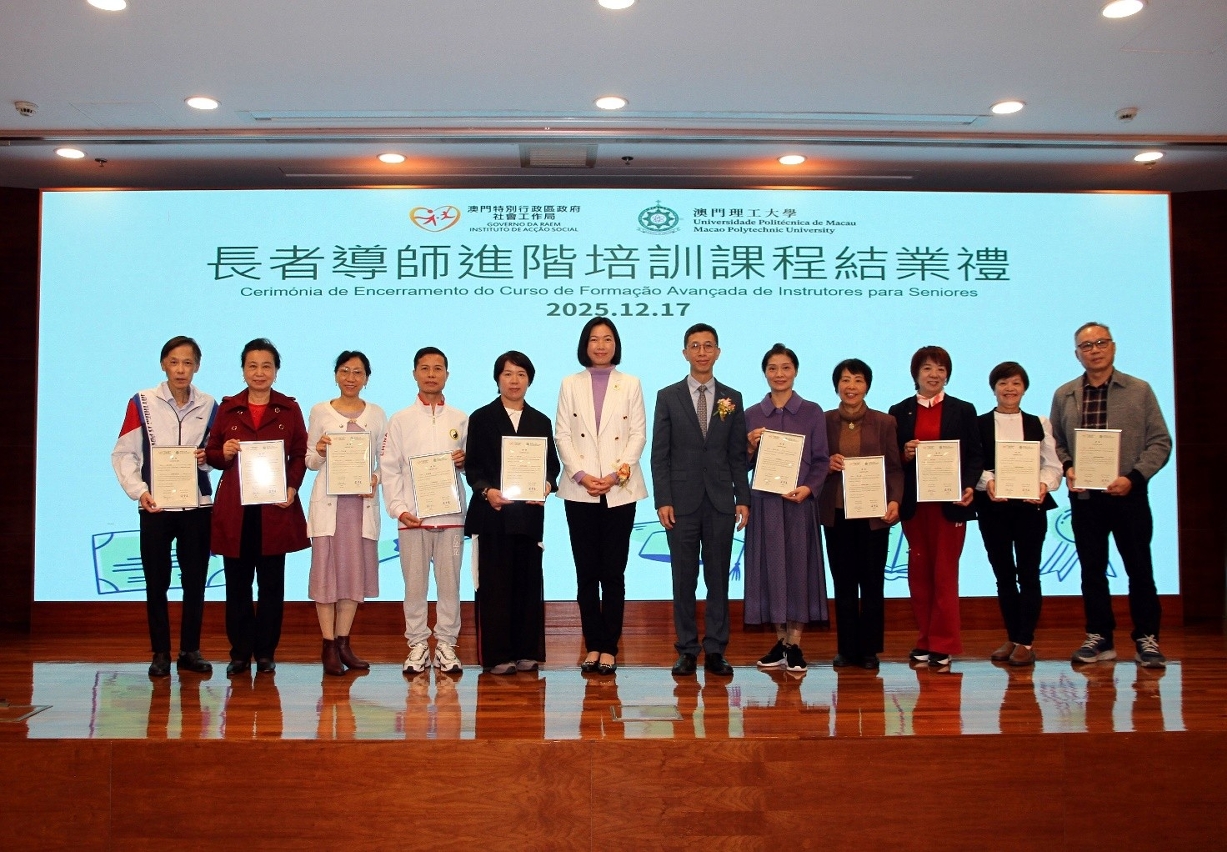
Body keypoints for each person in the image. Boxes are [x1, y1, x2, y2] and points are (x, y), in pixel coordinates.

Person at [1050, 322, 1172, 668]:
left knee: (1139, 568)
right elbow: (1056, 442)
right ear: (1077, 354)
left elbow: (1160, 441)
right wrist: (1068, 467)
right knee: (1091, 570)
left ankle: (1147, 638)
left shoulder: (1139, 390)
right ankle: (1099, 636)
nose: (1095, 350)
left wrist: (1134, 477)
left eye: (1101, 343)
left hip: (1128, 495)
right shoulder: (1065, 394)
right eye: (1086, 346)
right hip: (1086, 499)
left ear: (1113, 347)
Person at [112, 335, 218, 677]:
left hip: (197, 507)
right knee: (156, 582)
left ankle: (190, 650)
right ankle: (160, 653)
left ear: (197, 366)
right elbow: (124, 453)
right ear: (163, 365)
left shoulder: (209, 405)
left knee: (195, 581)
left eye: (187, 363)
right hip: (156, 506)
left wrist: (206, 459)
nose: (181, 369)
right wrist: (139, 491)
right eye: (174, 362)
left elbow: (214, 456)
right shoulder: (142, 401)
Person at [651, 323, 750, 678]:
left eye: (709, 345)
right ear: (685, 353)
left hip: (721, 501)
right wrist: (663, 499)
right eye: (695, 346)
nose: (702, 352)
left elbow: (737, 455)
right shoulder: (668, 396)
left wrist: (743, 498)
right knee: (684, 578)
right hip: (681, 503)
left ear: (718, 352)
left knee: (718, 579)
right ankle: (687, 649)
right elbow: (659, 454)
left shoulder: (732, 397)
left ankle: (716, 650)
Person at [205, 338, 309, 676]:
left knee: (271, 587)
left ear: (276, 371)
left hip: (273, 510)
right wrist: (224, 453)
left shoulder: (289, 409)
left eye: (266, 366)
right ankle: (239, 653)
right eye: (252, 366)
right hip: (236, 511)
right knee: (236, 587)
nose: (259, 372)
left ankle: (265, 653)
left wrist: (292, 486)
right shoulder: (228, 408)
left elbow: (300, 453)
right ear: (243, 370)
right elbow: (212, 452)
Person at [555, 318, 648, 676]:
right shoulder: (570, 383)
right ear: (585, 345)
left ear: (615, 344)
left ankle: (610, 646)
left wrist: (613, 476)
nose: (600, 345)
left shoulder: (631, 383)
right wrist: (581, 475)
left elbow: (638, 435)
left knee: (613, 571)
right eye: (594, 339)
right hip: (579, 489)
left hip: (619, 489)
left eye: (607, 339)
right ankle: (592, 644)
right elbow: (562, 434)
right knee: (585, 572)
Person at [463, 351, 560, 675]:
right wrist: (487, 491)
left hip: (528, 518)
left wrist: (546, 485)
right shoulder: (481, 418)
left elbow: (552, 467)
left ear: (529, 379)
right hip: (492, 515)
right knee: (495, 587)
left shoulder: (540, 421)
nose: (514, 380)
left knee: (527, 586)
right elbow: (473, 468)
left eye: (520, 374)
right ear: (497, 379)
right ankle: (497, 656)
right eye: (507, 374)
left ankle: (526, 651)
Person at [889, 345, 982, 669]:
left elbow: (975, 456)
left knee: (944, 573)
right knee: (919, 574)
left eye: (941, 369)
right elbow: (892, 459)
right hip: (916, 506)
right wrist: (904, 453)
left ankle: (943, 643)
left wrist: (968, 485)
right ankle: (925, 638)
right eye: (927, 368)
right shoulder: (899, 411)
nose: (934, 375)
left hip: (949, 504)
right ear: (916, 373)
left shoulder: (963, 410)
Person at [380, 346, 469, 676]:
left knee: (450, 587)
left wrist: (465, 461)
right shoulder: (400, 420)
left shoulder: (460, 419)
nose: (431, 374)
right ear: (414, 374)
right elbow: (389, 468)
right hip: (412, 519)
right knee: (414, 587)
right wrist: (399, 509)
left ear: (447, 374)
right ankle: (417, 644)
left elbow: (474, 466)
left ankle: (446, 644)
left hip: (451, 518)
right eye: (425, 368)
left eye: (438, 368)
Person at [744, 343, 829, 673]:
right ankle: (781, 643)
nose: (779, 374)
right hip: (765, 506)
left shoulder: (812, 412)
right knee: (771, 573)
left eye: (785, 367)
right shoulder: (752, 414)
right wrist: (749, 447)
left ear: (795, 371)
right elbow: (740, 464)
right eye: (772, 368)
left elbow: (821, 460)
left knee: (798, 571)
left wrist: (809, 488)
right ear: (764, 373)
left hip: (799, 505)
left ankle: (794, 644)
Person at [974, 361, 1062, 667]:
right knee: (1003, 576)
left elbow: (1053, 464)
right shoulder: (979, 423)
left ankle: (1026, 641)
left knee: (1029, 573)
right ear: (993, 388)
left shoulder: (1040, 423)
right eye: (1003, 383)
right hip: (993, 508)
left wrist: (1043, 484)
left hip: (1029, 508)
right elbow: (974, 464)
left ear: (1024, 388)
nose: (1009, 389)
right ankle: (1013, 636)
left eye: (1016, 383)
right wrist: (988, 482)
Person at [305, 351, 387, 676]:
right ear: (336, 375)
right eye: (345, 371)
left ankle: (343, 643)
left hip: (360, 507)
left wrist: (375, 479)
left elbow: (386, 460)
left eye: (358, 372)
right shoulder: (320, 411)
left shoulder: (377, 414)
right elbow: (310, 461)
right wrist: (320, 451)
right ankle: (327, 645)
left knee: (353, 575)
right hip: (330, 506)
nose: (351, 378)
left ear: (366, 378)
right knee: (326, 575)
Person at [818, 358, 903, 670]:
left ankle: (869, 650)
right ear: (836, 386)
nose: (850, 386)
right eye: (844, 380)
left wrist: (895, 500)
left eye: (857, 380)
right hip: (837, 512)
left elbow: (894, 468)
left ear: (867, 385)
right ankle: (846, 649)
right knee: (843, 582)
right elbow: (812, 463)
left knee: (871, 582)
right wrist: (826, 465)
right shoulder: (823, 421)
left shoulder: (885, 422)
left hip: (873, 514)